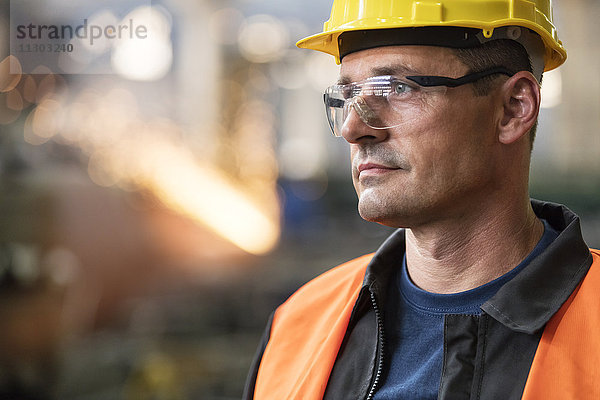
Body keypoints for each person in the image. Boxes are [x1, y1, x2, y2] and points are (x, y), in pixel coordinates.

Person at [243, 1, 600, 399]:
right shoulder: (298, 327)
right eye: (347, 94)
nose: (353, 128)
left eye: (397, 88)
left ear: (513, 108)